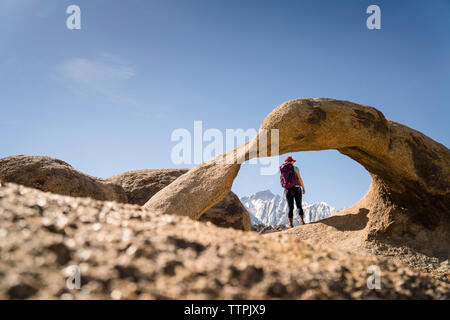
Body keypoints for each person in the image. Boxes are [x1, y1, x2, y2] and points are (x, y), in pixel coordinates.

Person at [280, 156, 306, 228]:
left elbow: (282, 180)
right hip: (297, 188)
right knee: (299, 205)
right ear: (291, 161)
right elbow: (300, 178)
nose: (294, 162)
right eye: (293, 161)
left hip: (288, 190)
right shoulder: (295, 168)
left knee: (290, 207)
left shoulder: (282, 169)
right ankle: (301, 221)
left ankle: (291, 224)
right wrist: (303, 188)